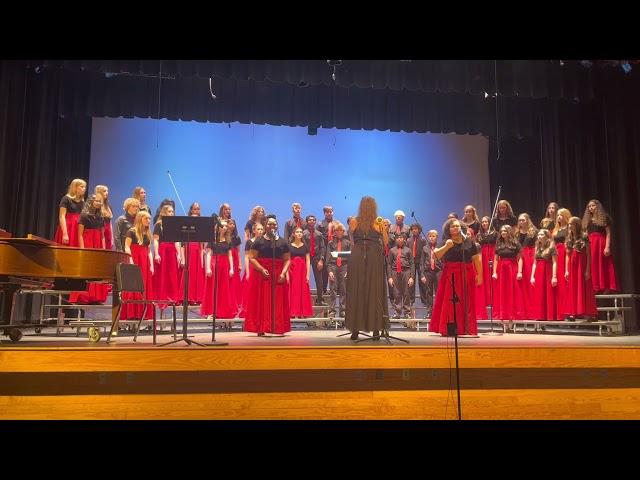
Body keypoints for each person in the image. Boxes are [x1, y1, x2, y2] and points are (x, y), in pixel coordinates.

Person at [344, 196, 389, 340]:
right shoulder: (377, 222)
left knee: (357, 290)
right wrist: (384, 229)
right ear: (374, 207)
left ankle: (355, 330)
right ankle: (375, 329)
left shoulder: (353, 221)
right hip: (374, 255)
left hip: (357, 255)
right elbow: (386, 242)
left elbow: (353, 240)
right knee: (374, 290)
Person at [428, 218, 482, 336]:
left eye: (457, 226)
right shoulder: (446, 241)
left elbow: (476, 259)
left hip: (467, 273)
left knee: (467, 301)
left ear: (461, 227)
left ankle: (467, 328)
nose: (455, 228)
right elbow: (435, 255)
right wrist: (446, 247)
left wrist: (480, 275)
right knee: (451, 302)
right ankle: (450, 329)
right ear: (448, 229)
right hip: (451, 274)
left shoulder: (469, 241)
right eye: (453, 226)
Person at [245, 215, 291, 336]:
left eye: (274, 224)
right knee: (262, 301)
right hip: (262, 274)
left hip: (278, 275)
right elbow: (252, 258)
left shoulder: (282, 241)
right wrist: (261, 268)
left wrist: (283, 273)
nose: (272, 226)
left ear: (277, 226)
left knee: (278, 301)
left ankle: (277, 327)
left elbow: (287, 259)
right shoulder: (258, 241)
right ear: (265, 225)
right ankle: (261, 327)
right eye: (269, 224)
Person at [69, 193, 109, 304]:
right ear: (91, 201)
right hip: (87, 243)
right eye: (96, 201)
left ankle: (96, 297)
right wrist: (82, 249)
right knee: (87, 269)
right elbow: (80, 234)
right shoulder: (84, 215)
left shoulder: (101, 217)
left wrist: (104, 249)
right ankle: (84, 296)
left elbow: (102, 235)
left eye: (100, 201)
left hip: (98, 244)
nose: (98, 203)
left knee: (97, 270)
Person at [118, 211, 155, 328]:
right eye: (146, 218)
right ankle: (131, 313)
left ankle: (142, 313)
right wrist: (131, 260)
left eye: (149, 219)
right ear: (140, 219)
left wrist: (152, 265)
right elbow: (126, 247)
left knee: (144, 286)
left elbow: (148, 250)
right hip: (135, 259)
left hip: (144, 261)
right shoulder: (131, 231)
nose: (148, 221)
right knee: (133, 286)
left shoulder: (147, 233)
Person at [201, 220, 236, 324]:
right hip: (214, 265)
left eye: (226, 226)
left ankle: (222, 311)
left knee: (223, 289)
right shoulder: (212, 240)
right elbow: (208, 254)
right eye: (223, 226)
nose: (225, 228)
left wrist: (231, 268)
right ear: (218, 227)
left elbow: (230, 256)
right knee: (212, 289)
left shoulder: (228, 241)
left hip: (224, 266)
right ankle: (211, 312)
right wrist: (208, 267)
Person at [582, 199, 618, 293]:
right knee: (592, 264)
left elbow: (608, 233)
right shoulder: (587, 220)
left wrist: (607, 246)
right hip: (590, 243)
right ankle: (595, 286)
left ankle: (605, 286)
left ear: (597, 206)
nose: (591, 208)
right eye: (589, 206)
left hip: (600, 242)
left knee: (602, 263)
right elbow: (585, 233)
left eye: (593, 205)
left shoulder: (604, 217)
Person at [565, 216, 598, 320]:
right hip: (572, 265)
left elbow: (589, 253)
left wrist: (588, 270)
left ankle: (588, 313)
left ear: (577, 225)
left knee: (585, 287)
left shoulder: (584, 236)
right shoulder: (569, 238)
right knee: (573, 287)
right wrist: (566, 270)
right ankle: (573, 312)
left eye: (572, 224)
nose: (570, 226)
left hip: (582, 264)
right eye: (569, 224)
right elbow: (567, 255)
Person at [492, 225, 523, 321]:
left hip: (512, 268)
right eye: (501, 231)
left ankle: (513, 314)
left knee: (512, 291)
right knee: (502, 292)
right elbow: (496, 259)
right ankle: (503, 314)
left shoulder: (515, 243)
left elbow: (520, 258)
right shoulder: (499, 244)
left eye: (505, 231)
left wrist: (519, 272)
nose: (503, 233)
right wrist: (494, 272)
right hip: (501, 269)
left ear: (509, 232)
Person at [153, 204, 182, 306]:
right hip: (163, 250)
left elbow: (176, 241)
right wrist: (156, 254)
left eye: (172, 211)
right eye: (169, 211)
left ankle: (172, 297)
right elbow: (156, 240)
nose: (172, 213)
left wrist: (179, 254)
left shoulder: (174, 225)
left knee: (172, 274)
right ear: (164, 212)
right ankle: (162, 297)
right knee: (163, 274)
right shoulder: (158, 225)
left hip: (172, 251)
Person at [530, 229, 558, 321]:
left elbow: (554, 262)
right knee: (539, 293)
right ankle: (540, 315)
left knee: (548, 293)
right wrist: (532, 276)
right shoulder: (537, 247)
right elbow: (534, 263)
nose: (539, 236)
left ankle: (549, 315)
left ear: (547, 236)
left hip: (548, 271)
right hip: (539, 272)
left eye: (541, 234)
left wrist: (554, 277)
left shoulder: (552, 247)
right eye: (538, 234)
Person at [387, 233, 415, 321]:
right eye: (398, 238)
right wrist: (390, 277)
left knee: (406, 293)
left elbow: (412, 264)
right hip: (395, 272)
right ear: (395, 240)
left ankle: (407, 312)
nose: (399, 239)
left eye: (401, 238)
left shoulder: (408, 250)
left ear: (404, 239)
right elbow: (389, 264)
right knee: (396, 293)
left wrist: (412, 277)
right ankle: (397, 312)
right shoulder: (392, 250)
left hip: (406, 272)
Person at [326, 222, 350, 320]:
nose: (339, 232)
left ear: (343, 232)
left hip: (344, 266)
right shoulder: (331, 243)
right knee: (333, 289)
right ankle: (332, 311)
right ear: (335, 232)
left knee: (343, 290)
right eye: (337, 230)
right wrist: (329, 271)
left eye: (341, 230)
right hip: (333, 266)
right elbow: (328, 259)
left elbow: (350, 259)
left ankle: (343, 310)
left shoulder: (347, 243)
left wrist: (348, 270)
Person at [516, 213, 538, 319]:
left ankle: (533, 310)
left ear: (527, 220)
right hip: (519, 257)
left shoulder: (533, 231)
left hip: (529, 256)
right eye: (519, 220)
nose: (521, 222)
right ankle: (522, 310)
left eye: (523, 220)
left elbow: (537, 246)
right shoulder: (516, 233)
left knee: (530, 284)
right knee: (521, 285)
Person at [475, 216, 497, 320]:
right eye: (482, 222)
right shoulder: (479, 235)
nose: (484, 223)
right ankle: (487, 300)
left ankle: (494, 300)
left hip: (492, 253)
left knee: (492, 276)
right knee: (485, 276)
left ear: (489, 223)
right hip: (482, 255)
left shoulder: (495, 233)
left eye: (486, 222)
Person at [288, 226, 313, 319]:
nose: (299, 233)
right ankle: (293, 312)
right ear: (293, 234)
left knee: (303, 290)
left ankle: (302, 312)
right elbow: (287, 259)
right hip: (292, 270)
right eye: (297, 232)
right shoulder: (289, 246)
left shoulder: (305, 246)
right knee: (293, 291)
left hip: (302, 271)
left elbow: (308, 260)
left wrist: (307, 274)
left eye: (301, 232)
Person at [54, 178, 86, 246]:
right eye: (82, 186)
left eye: (85, 187)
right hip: (69, 227)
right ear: (75, 187)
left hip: (78, 228)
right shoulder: (66, 199)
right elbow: (62, 216)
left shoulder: (83, 202)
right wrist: (65, 233)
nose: (84, 189)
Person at [552, 208, 572, 319]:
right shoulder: (556, 229)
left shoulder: (569, 228)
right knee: (559, 283)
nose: (558, 217)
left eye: (560, 215)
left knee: (566, 280)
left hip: (566, 253)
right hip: (557, 254)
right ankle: (560, 311)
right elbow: (552, 243)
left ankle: (569, 310)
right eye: (558, 215)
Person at [303, 215, 326, 306]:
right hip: (306, 257)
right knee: (304, 278)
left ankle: (320, 299)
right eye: (310, 220)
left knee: (319, 279)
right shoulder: (303, 234)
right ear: (307, 221)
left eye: (313, 220)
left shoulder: (319, 234)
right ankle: (304, 300)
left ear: (315, 221)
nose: (312, 221)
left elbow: (322, 247)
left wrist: (321, 260)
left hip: (316, 257)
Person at [420, 229, 442, 319]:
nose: (431, 238)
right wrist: (422, 275)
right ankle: (429, 312)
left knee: (438, 292)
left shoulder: (440, 247)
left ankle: (438, 311)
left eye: (433, 236)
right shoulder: (425, 248)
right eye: (430, 236)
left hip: (438, 271)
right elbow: (421, 262)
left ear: (437, 237)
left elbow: (444, 259)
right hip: (428, 272)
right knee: (428, 292)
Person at [406, 223, 426, 307]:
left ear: (419, 230)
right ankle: (411, 300)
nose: (414, 230)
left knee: (422, 282)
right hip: (411, 263)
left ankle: (424, 301)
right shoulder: (408, 240)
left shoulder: (423, 239)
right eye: (413, 229)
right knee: (411, 282)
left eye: (416, 229)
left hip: (420, 263)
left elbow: (425, 252)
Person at [95, 185, 114, 250]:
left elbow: (110, 222)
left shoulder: (108, 206)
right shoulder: (95, 205)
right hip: (99, 230)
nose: (107, 192)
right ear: (99, 192)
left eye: (107, 191)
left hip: (108, 231)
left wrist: (112, 238)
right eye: (104, 191)